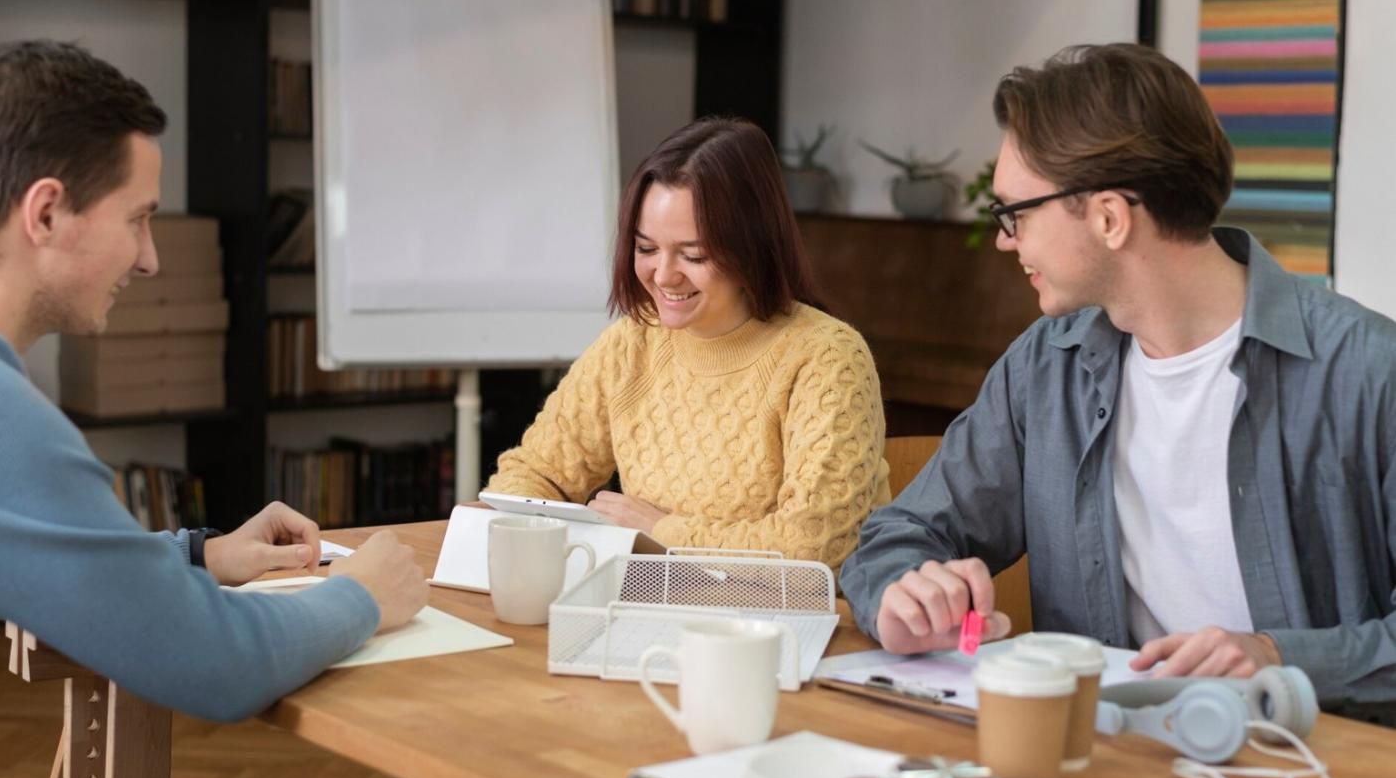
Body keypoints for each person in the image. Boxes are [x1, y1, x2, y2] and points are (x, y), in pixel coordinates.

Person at [0, 40, 429, 778]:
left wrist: (196, 555)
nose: (152, 258)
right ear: (46, 212)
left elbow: (34, 550)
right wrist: (361, 596)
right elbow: (213, 665)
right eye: (139, 218)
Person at [841, 43, 1396, 715]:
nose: (1005, 240)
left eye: (1016, 212)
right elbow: (898, 534)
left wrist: (1279, 657)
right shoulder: (1046, 368)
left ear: (1108, 217)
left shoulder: (1366, 371)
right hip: (1105, 760)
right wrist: (903, 594)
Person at [485, 117, 890, 569]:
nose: (663, 276)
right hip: (653, 605)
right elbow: (530, 475)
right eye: (646, 248)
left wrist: (660, 530)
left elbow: (814, 546)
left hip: (793, 627)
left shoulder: (826, 357)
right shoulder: (632, 343)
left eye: (693, 255)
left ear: (751, 246)